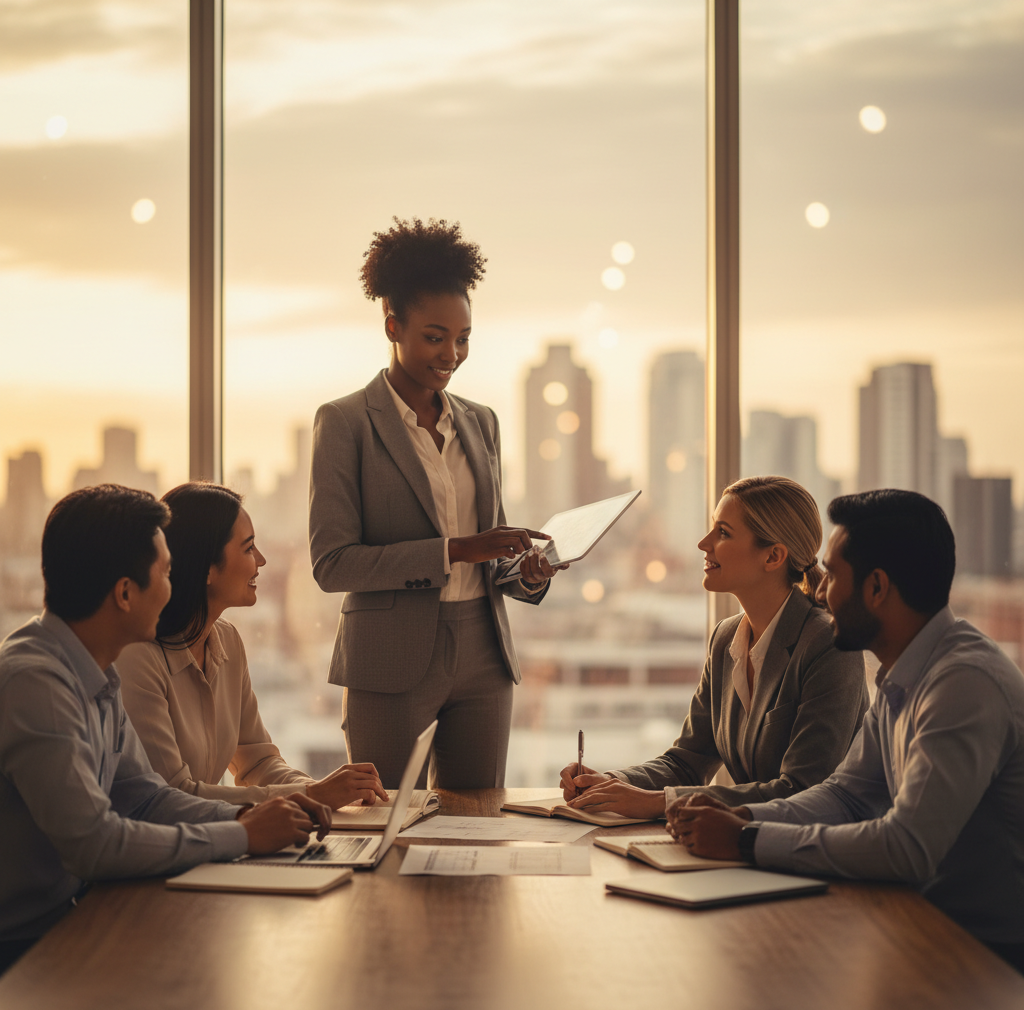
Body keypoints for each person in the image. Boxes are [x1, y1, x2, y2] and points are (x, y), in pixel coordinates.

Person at [667, 489, 1024, 970]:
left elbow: (907, 848)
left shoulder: (962, 684)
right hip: (919, 927)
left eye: (833, 575)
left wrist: (745, 841)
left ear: (876, 588)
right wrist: (746, 820)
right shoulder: (904, 674)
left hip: (987, 958)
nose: (818, 590)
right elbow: (847, 796)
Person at [0, 486, 331, 975]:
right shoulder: (37, 683)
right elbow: (96, 844)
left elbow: (148, 799)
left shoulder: (96, 672)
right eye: (167, 574)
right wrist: (241, 836)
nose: (175, 591)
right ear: (125, 593)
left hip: (75, 916)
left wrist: (252, 815)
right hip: (24, 942)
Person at [309, 217, 563, 789]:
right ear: (392, 326)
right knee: (387, 833)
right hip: (390, 658)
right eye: (434, 336)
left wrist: (527, 573)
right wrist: (454, 550)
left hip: (484, 654)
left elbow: (488, 553)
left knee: (479, 827)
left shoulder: (482, 422)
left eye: (464, 337)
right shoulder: (345, 423)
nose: (451, 353)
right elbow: (332, 565)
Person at [559, 476, 867, 818]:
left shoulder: (829, 644)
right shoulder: (725, 639)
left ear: (774, 556)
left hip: (822, 850)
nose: (703, 544)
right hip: (751, 844)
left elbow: (803, 789)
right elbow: (686, 762)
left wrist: (657, 803)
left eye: (723, 533)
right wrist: (611, 782)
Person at [116, 482, 389, 809]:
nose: (260, 560)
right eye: (248, 548)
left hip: (213, 835)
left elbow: (257, 762)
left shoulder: (228, 641)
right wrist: (310, 796)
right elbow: (173, 795)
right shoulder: (137, 657)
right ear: (206, 567)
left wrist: (326, 790)